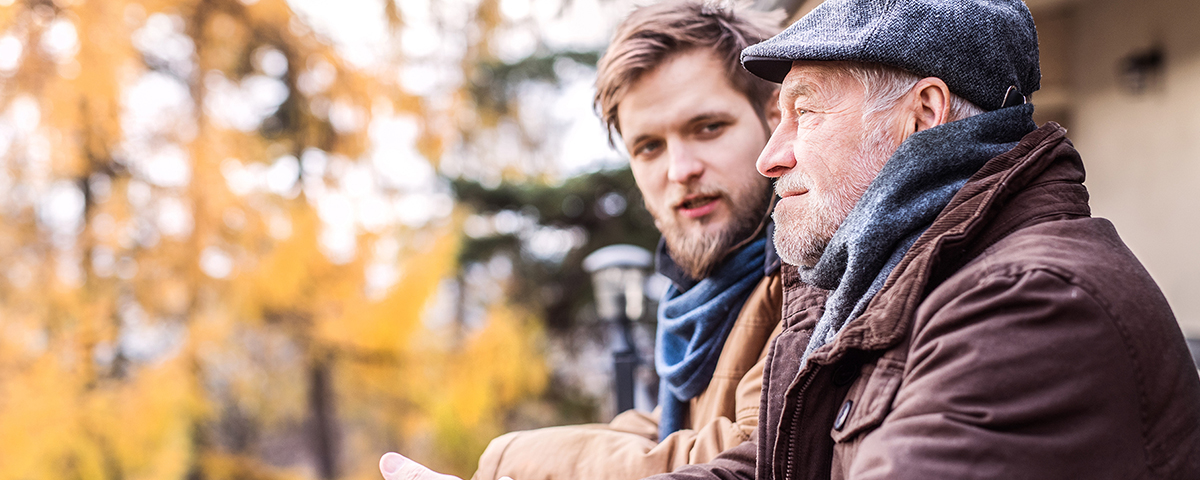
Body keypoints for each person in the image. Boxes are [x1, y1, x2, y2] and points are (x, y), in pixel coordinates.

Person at [646, 0, 1200, 479]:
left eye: (805, 112)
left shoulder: (1028, 304)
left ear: (924, 115)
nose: (771, 158)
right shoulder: (880, 286)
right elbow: (775, 469)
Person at [380, 1, 796, 479]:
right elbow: (667, 433)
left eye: (708, 128)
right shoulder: (699, 302)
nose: (680, 170)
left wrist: (507, 461)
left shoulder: (807, 269)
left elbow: (752, 451)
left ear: (774, 116)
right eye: (649, 147)